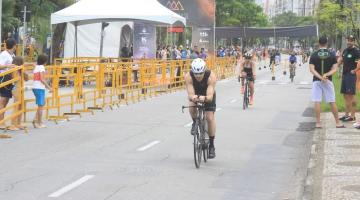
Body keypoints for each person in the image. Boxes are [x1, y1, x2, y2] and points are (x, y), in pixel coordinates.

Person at [309, 36, 344, 129]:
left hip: (316, 81)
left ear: (318, 43)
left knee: (317, 101)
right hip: (328, 80)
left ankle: (318, 123)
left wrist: (320, 77)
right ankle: (337, 122)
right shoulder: (332, 54)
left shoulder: (314, 54)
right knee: (332, 101)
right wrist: (326, 75)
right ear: (327, 43)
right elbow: (335, 68)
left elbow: (311, 70)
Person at [185, 58, 217, 159]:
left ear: (204, 70)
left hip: (208, 94)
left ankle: (211, 145)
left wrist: (205, 98)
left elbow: (210, 96)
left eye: (200, 73)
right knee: (191, 106)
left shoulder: (211, 76)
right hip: (196, 92)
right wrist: (193, 97)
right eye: (196, 74)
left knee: (209, 118)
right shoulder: (188, 76)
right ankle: (195, 122)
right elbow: (190, 94)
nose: (198, 76)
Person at [337, 35, 360, 123]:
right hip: (345, 75)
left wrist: (355, 70)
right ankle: (346, 115)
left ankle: (353, 116)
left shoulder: (357, 51)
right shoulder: (345, 51)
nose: (349, 42)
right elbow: (341, 60)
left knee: (351, 95)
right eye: (348, 40)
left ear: (354, 41)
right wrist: (336, 66)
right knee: (345, 95)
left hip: (351, 76)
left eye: (351, 40)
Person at [0, 38, 17, 129]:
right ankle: (1, 122)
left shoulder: (12, 54)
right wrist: (7, 66)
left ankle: (2, 121)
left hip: (10, 78)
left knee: (5, 101)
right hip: (4, 78)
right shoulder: (4, 54)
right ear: (14, 46)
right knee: (3, 100)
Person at [32, 55, 52, 128]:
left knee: (42, 103)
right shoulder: (42, 68)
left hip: (35, 87)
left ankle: (35, 119)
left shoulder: (36, 67)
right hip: (39, 87)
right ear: (45, 62)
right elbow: (42, 79)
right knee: (41, 106)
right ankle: (39, 123)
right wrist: (49, 88)